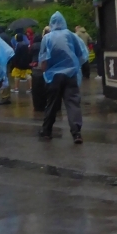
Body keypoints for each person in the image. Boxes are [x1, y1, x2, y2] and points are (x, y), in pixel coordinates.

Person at [38, 11, 89, 144]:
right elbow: (80, 54)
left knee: (52, 104)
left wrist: (45, 72)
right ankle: (76, 133)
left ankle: (47, 131)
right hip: (71, 74)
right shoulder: (71, 35)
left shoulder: (47, 38)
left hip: (53, 76)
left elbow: (43, 61)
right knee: (72, 103)